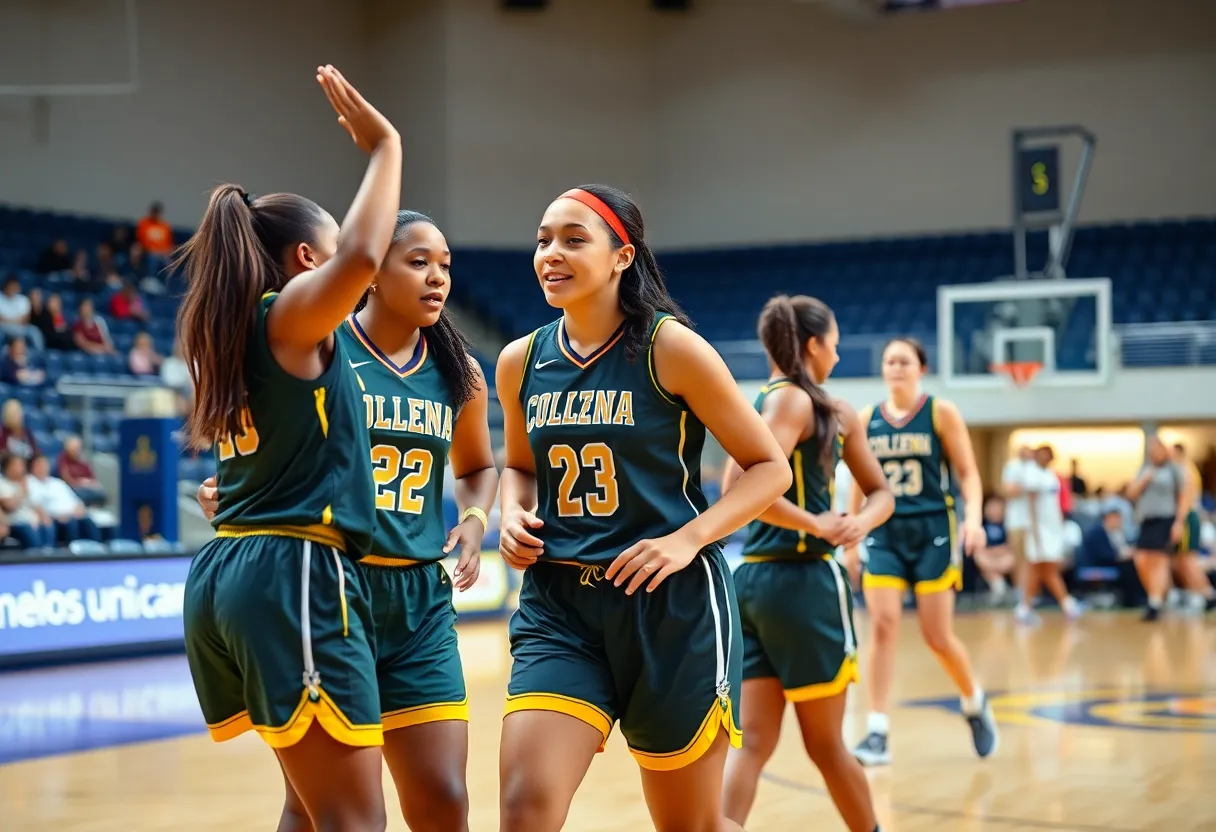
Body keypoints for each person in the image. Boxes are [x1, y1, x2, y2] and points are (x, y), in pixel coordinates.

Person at [495, 185, 792, 832]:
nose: (551, 253)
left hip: (673, 610)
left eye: (574, 240)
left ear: (622, 257)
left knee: (691, 825)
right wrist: (512, 514)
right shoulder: (519, 362)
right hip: (561, 606)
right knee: (524, 809)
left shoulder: (670, 348)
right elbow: (519, 467)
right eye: (544, 239)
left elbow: (771, 468)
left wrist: (690, 538)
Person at [197, 210, 497, 832]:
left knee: (444, 797)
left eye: (445, 266)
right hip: (331, 586)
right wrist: (231, 491)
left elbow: (477, 467)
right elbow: (263, 442)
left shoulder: (461, 372)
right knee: (314, 809)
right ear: (369, 272)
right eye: (418, 262)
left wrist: (472, 518)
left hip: (419, 599)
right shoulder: (321, 342)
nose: (437, 278)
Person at [178, 65, 402, 831]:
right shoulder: (285, 315)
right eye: (330, 253)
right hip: (293, 572)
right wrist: (385, 148)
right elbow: (367, 258)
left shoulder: (231, 328)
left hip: (240, 568)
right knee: (354, 823)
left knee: (308, 811)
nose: (348, 272)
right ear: (308, 262)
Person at [719, 295, 893, 832]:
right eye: (835, 345)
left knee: (753, 746)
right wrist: (823, 524)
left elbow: (880, 495)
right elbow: (741, 489)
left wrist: (859, 524)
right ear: (814, 346)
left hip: (750, 583)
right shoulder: (799, 403)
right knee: (826, 745)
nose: (838, 357)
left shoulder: (767, 404)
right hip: (804, 586)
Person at [847, 337, 998, 767]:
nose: (895, 366)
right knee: (883, 625)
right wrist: (852, 534)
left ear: (921, 368)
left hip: (934, 528)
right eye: (889, 361)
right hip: (884, 533)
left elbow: (968, 473)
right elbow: (858, 483)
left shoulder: (940, 412)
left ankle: (974, 701)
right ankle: (877, 731)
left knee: (937, 637)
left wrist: (973, 520)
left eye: (903, 360)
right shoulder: (866, 418)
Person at [1129, 436, 1213, 621]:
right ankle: (1171, 596)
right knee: (1173, 560)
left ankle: (1202, 595)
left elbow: (1184, 497)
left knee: (1182, 559)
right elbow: (1132, 492)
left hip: (1182, 518)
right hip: (1157, 520)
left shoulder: (1182, 470)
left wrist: (1179, 521)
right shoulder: (1150, 470)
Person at [1015, 445, 1082, 624]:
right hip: (1039, 530)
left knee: (1045, 569)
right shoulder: (1032, 474)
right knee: (1038, 567)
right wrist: (1035, 532)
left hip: (1053, 529)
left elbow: (1056, 504)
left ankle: (1026, 607)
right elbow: (1031, 505)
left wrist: (1059, 527)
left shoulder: (1051, 476)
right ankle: (1064, 604)